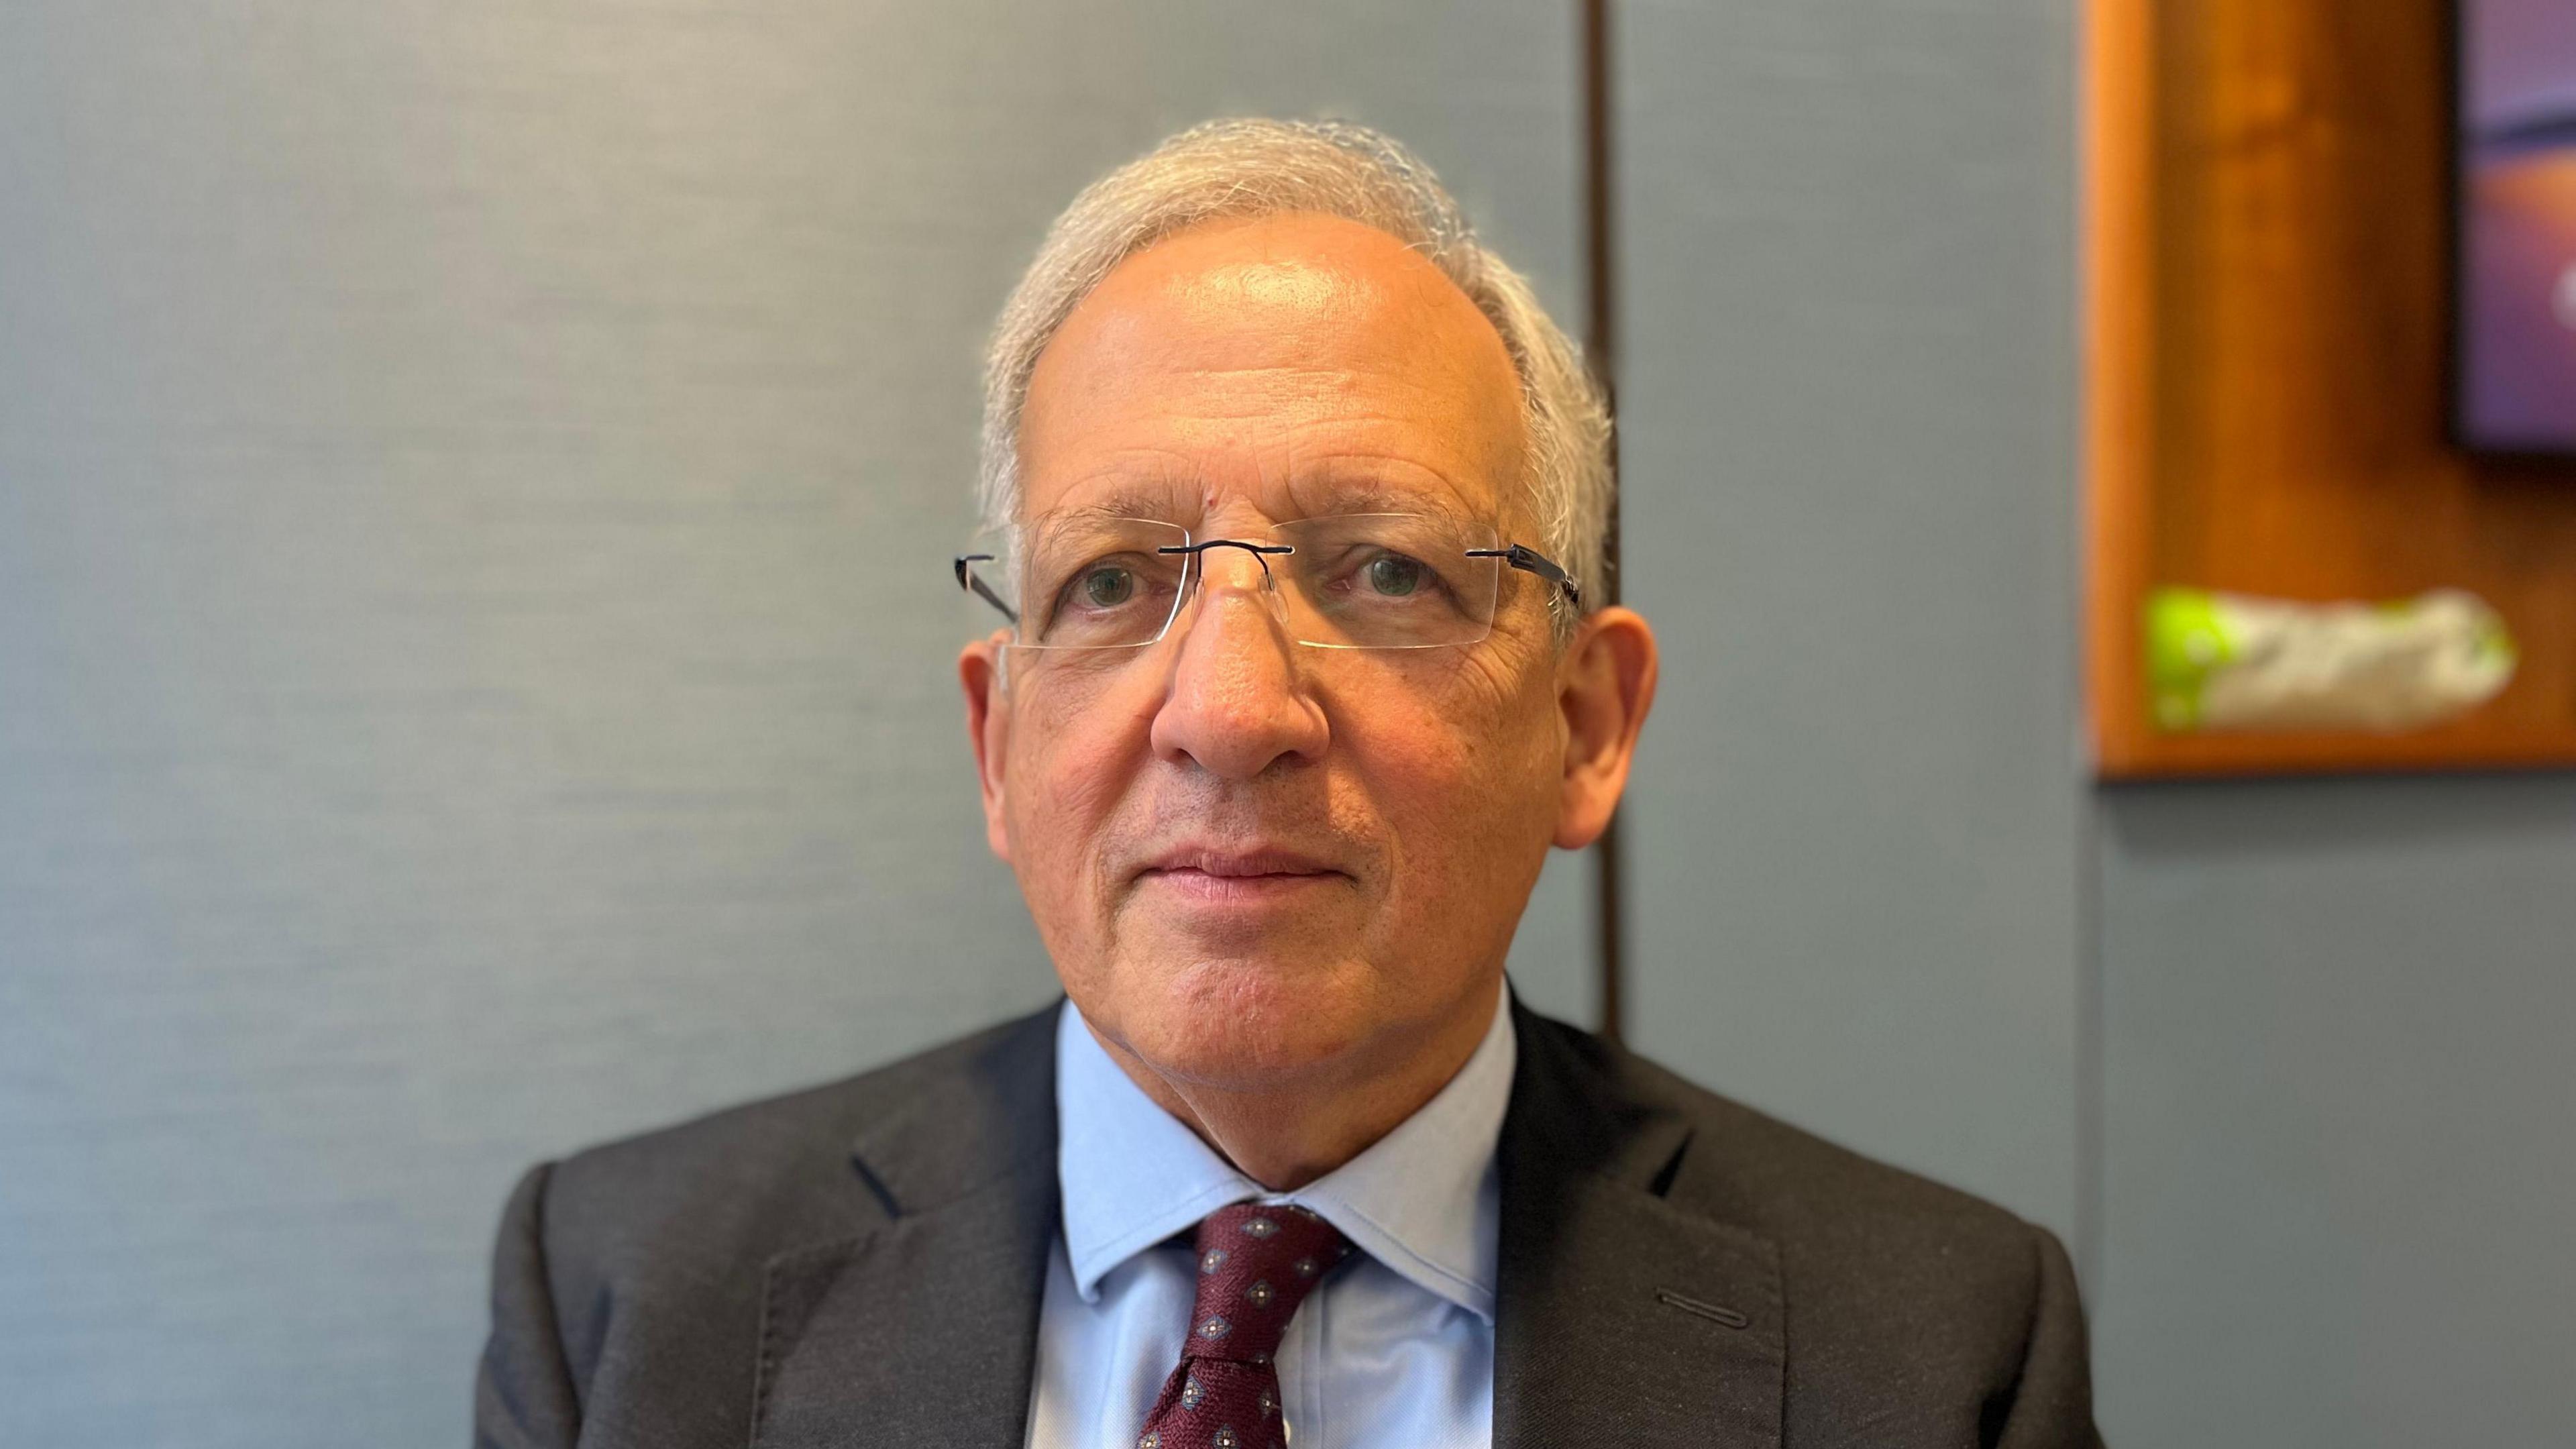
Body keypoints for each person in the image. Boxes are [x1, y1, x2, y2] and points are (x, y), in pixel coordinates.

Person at [474, 118, 2101, 1449]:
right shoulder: (628, 1305)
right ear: (997, 742)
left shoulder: (1931, 1359)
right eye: (1113, 581)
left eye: (1387, 572)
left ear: (1587, 724)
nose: (1231, 712)